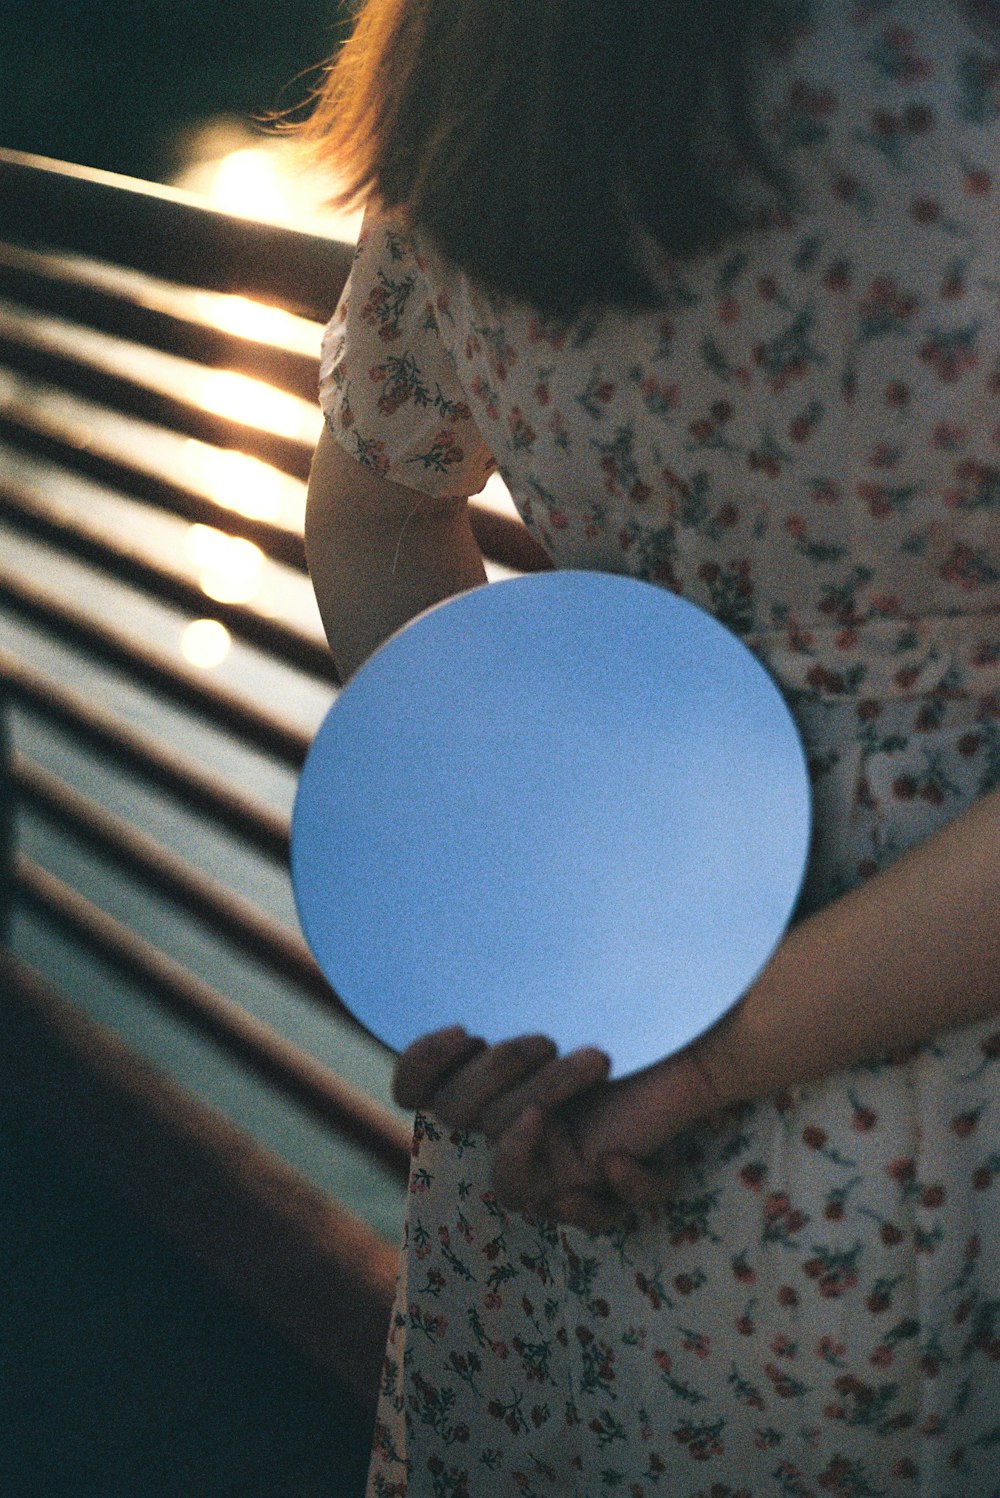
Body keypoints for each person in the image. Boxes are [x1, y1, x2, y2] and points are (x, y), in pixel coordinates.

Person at [301, 0, 1000, 1488]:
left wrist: (536, 964)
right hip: (927, 1126)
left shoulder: (495, 46)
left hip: (588, 1060)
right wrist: (693, 1068)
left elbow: (372, 515)